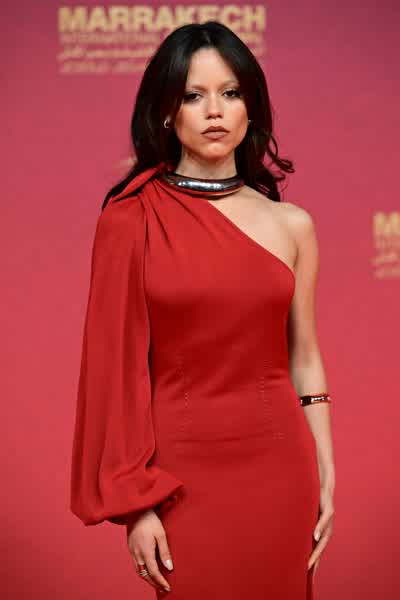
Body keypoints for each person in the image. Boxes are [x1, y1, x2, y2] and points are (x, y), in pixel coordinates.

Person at [70, 20, 336, 599]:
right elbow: (114, 372)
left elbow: (304, 357)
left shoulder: (293, 225)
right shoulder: (130, 218)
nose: (214, 111)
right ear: (167, 112)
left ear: (251, 107)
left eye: (230, 93)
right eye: (193, 95)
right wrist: (136, 504)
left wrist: (325, 468)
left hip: (282, 468)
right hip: (179, 479)